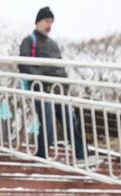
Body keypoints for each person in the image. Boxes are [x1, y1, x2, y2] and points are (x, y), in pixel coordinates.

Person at [18, 7, 95, 165]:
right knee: (48, 123)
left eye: (51, 22)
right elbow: (24, 64)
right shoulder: (29, 40)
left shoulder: (53, 43)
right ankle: (41, 156)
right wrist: (41, 79)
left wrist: (65, 84)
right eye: (47, 21)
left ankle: (82, 156)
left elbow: (60, 66)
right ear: (38, 22)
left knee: (70, 121)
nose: (49, 25)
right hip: (41, 88)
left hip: (59, 89)